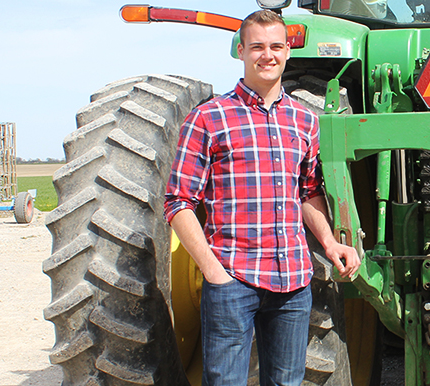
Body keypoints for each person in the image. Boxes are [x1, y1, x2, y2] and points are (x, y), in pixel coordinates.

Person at [163, 10, 360, 386]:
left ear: (288, 51)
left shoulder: (304, 121)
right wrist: (213, 271)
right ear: (241, 51)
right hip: (232, 279)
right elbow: (178, 202)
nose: (266, 55)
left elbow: (309, 192)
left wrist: (331, 242)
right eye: (256, 46)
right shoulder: (209, 118)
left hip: (293, 284)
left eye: (275, 46)